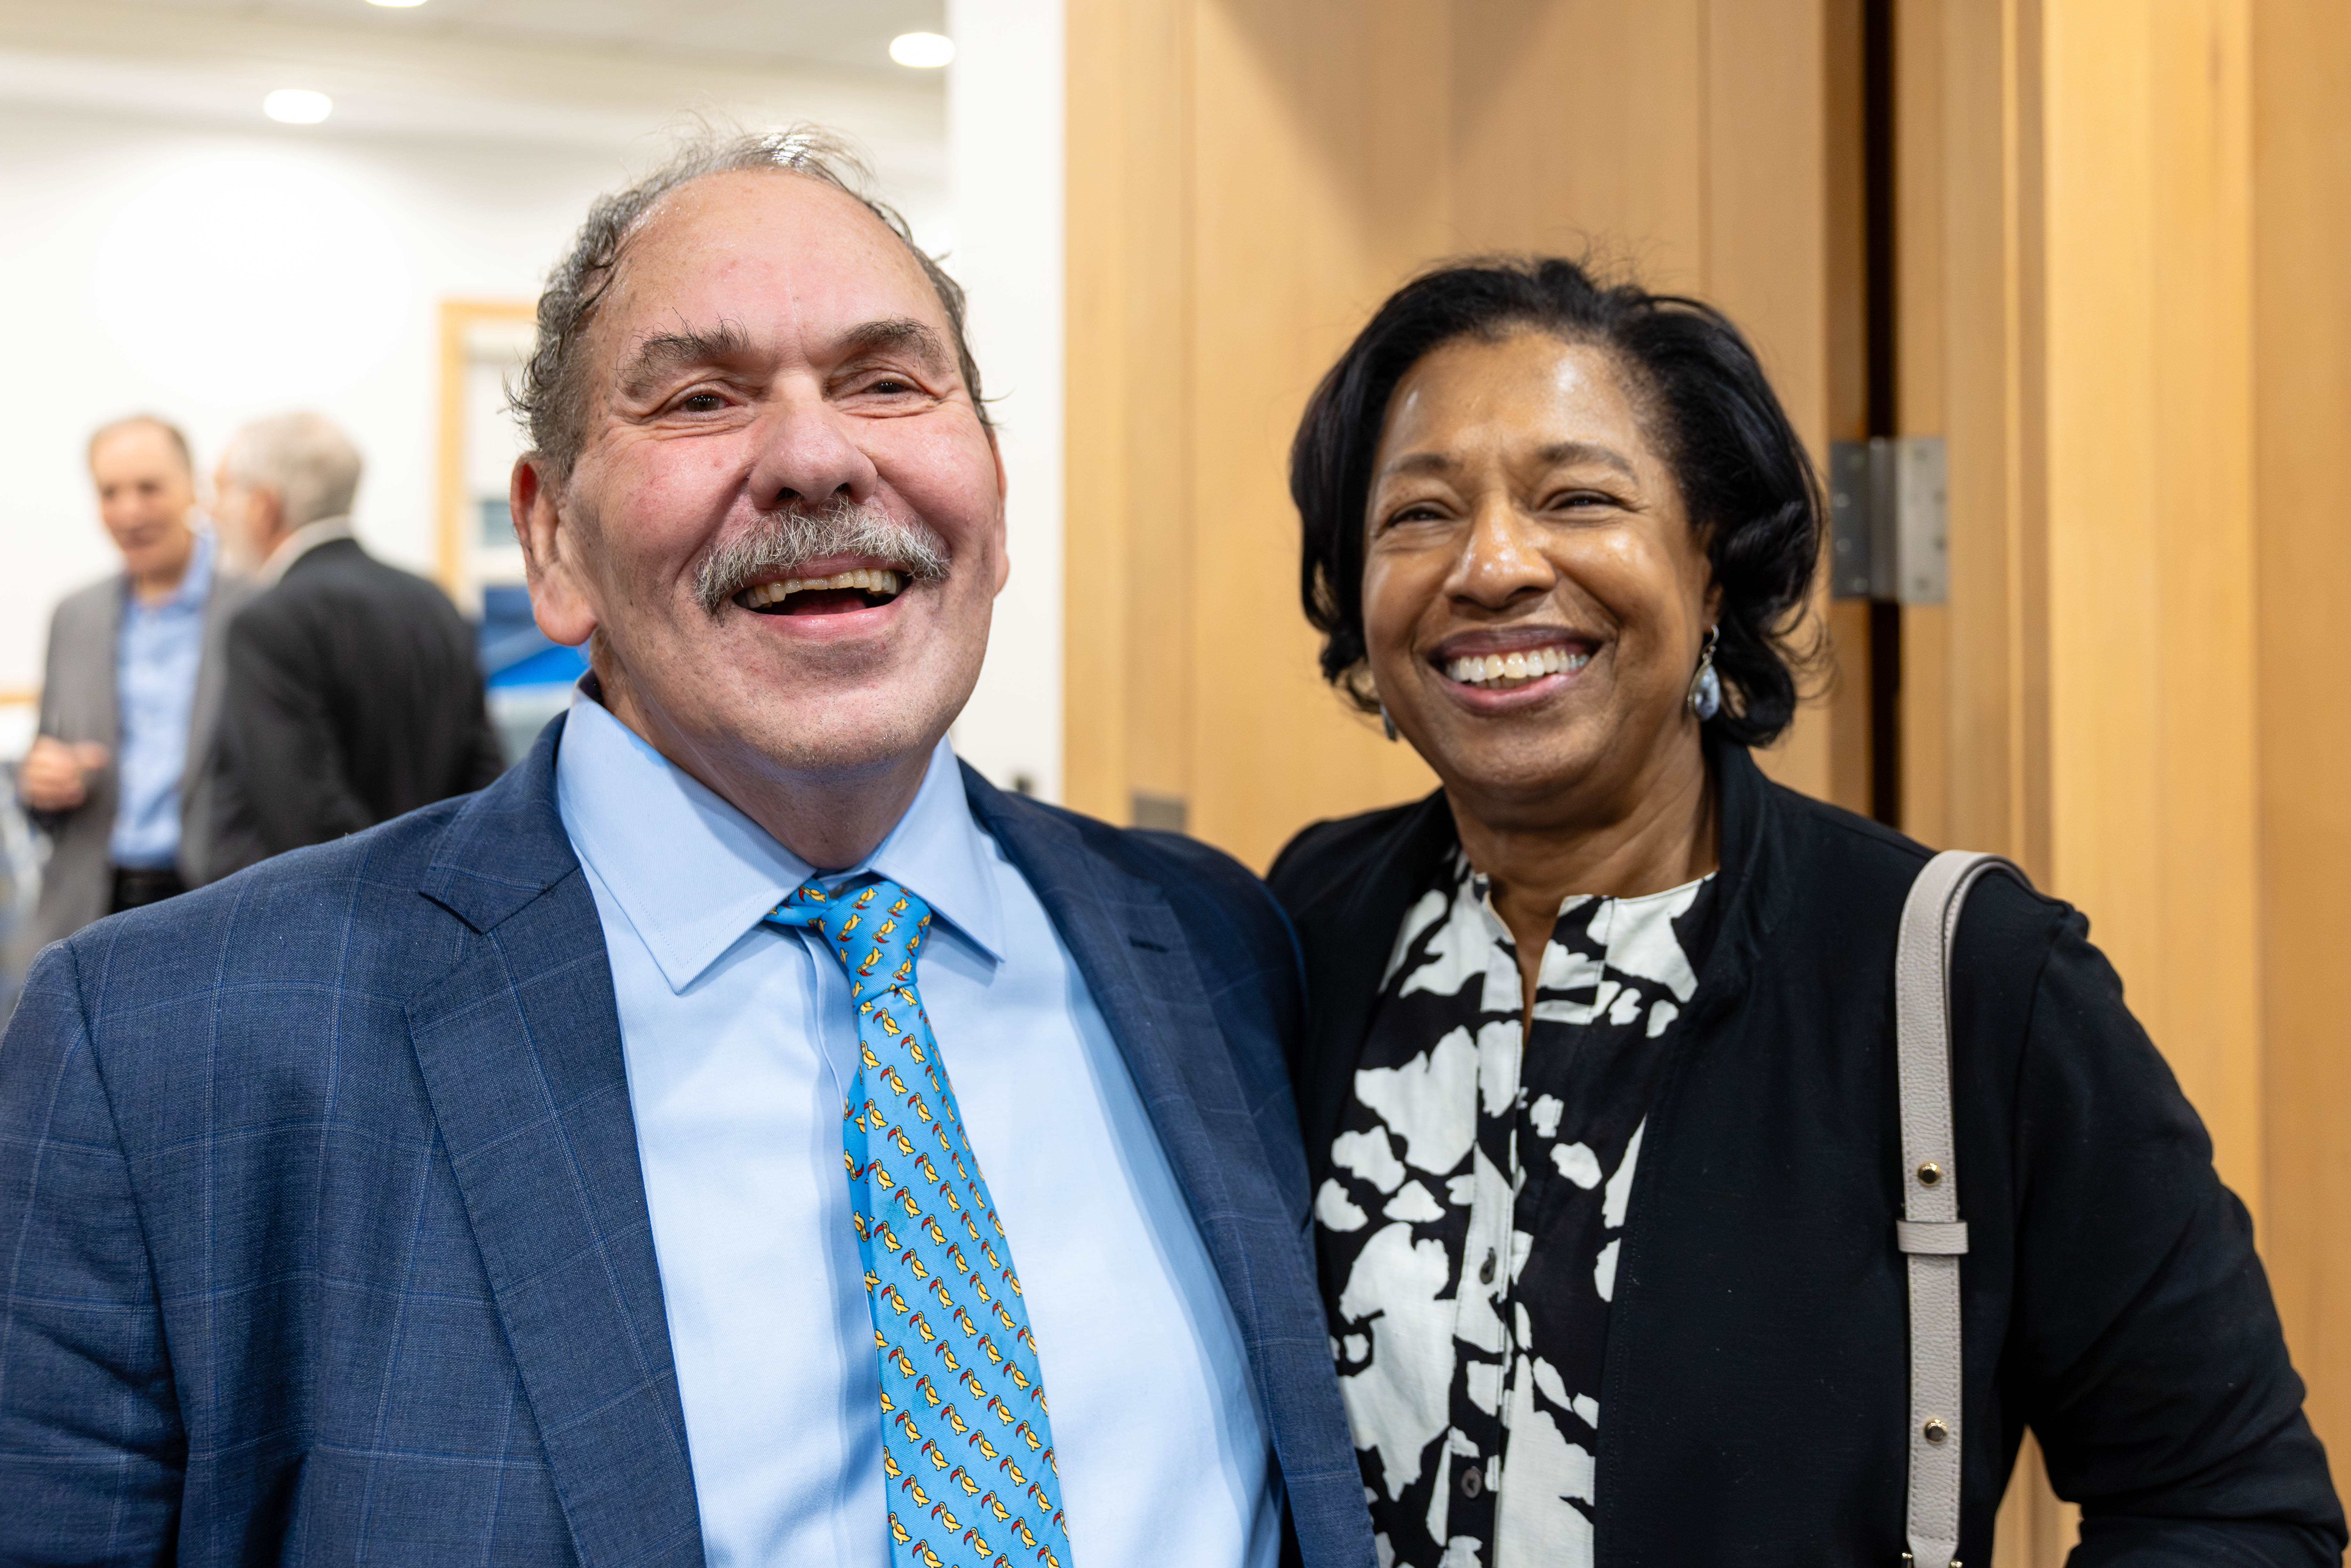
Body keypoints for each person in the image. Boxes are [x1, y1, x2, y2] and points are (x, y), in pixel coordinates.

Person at [0, 129, 1372, 1568]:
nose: (815, 457)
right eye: (702, 398)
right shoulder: (169, 1054)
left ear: (994, 490)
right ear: (553, 547)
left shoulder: (1215, 944)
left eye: (889, 382)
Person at [1266, 258, 2344, 1566]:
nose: (1492, 565)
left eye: (1580, 499)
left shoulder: (1966, 981)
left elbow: (2230, 1508)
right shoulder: (1304, 928)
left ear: (1711, 566)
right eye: (1418, 516)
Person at [201, 410, 505, 876]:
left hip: (335, 923)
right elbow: (485, 777)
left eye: (222, 492)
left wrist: (385, 901)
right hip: (441, 906)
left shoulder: (265, 624)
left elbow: (302, 815)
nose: (212, 514)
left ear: (264, 505)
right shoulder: (434, 601)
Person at [18, 415, 252, 945]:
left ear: (193, 487)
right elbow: (48, 757)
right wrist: (42, 784)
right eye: (110, 492)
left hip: (214, 904)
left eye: (149, 488)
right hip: (91, 909)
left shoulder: (253, 611)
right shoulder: (74, 616)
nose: (129, 511)